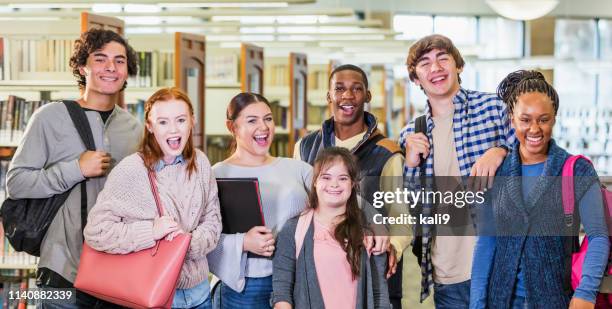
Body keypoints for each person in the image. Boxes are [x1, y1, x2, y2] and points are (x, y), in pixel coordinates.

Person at [6, 29, 142, 308]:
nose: (110, 67)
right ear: (83, 67)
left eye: (119, 61)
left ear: (127, 71)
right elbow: (17, 182)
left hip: (118, 271)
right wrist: (75, 169)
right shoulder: (49, 117)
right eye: (100, 59)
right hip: (61, 270)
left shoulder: (134, 129)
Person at [470, 70, 609, 309]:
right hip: (501, 300)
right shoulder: (498, 171)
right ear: (511, 119)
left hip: (556, 299)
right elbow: (487, 242)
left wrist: (586, 291)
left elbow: (598, 236)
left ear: (554, 118)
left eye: (543, 119)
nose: (534, 129)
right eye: (525, 120)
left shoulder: (577, 170)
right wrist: (476, 302)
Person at [398, 34, 515, 307]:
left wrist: (501, 151)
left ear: (458, 66)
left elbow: (535, 160)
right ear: (416, 78)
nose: (435, 68)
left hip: (498, 263)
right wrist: (410, 165)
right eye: (425, 63)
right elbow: (411, 207)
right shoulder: (411, 133)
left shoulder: (494, 109)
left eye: (443, 58)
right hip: (447, 271)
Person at [83, 87, 221, 309]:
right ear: (149, 125)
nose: (173, 129)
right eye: (163, 122)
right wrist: (151, 231)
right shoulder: (132, 170)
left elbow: (212, 221)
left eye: (181, 120)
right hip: (153, 293)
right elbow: (96, 233)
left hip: (200, 293)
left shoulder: (201, 163)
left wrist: (186, 244)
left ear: (192, 121)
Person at [294, 64, 406, 308]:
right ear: (329, 96)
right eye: (340, 88)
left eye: (356, 89)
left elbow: (401, 217)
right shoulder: (305, 147)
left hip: (370, 272)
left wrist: (392, 248)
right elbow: (300, 208)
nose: (347, 95)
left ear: (367, 96)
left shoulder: (387, 153)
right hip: (319, 272)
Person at [207, 92, 313, 309]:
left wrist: (375, 226)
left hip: (297, 279)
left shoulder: (298, 169)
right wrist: (243, 242)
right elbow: (200, 239)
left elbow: (345, 200)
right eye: (252, 120)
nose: (264, 127)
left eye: (268, 118)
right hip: (243, 286)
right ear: (232, 127)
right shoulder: (215, 175)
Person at [273, 147, 390, 308]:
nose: (334, 184)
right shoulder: (293, 229)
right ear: (315, 182)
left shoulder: (370, 233)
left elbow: (379, 294)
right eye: (326, 177)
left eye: (343, 178)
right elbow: (282, 291)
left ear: (353, 184)